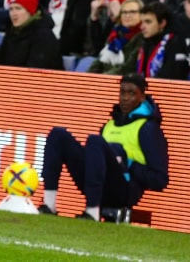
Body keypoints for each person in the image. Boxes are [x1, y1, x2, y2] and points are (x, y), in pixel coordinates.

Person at [38, 74, 169, 221]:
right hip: (98, 184)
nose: (125, 98)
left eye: (132, 93)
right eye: (122, 92)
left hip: (124, 190)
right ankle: (49, 205)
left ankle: (92, 212)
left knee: (95, 141)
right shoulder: (109, 125)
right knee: (58, 135)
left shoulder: (148, 128)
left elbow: (160, 180)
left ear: (142, 97)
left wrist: (129, 163)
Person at [0, 0, 64, 70]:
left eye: (18, 8)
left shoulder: (44, 35)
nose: (13, 13)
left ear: (30, 11)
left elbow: (35, 70)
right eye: (11, 9)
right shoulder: (12, 31)